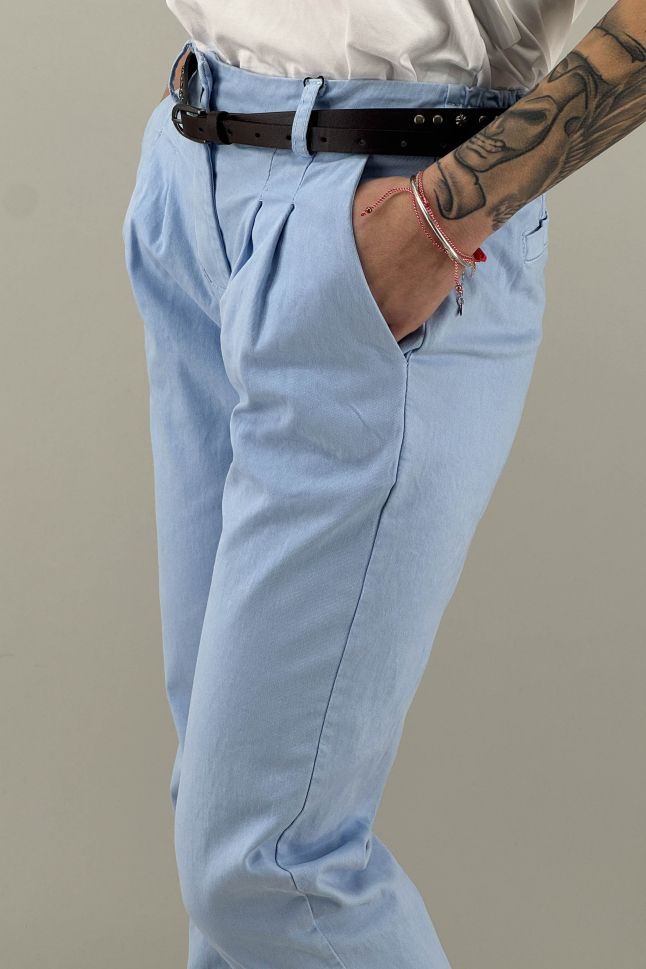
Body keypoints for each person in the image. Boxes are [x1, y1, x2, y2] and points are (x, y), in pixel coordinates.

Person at [121, 3, 645, 967]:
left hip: (392, 205)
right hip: (198, 165)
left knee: (266, 865)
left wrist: (451, 210)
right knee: (223, 813)